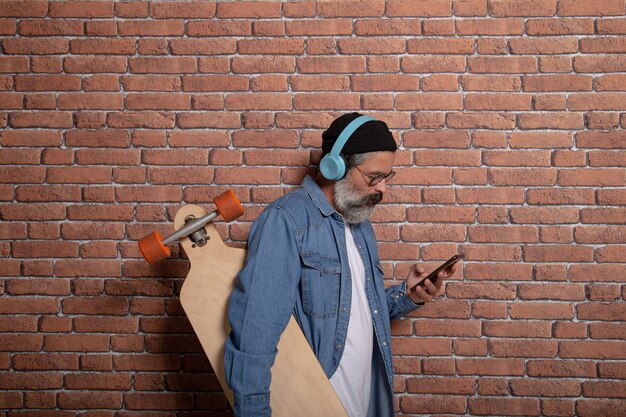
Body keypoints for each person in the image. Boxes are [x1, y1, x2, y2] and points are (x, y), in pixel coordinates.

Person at [224, 112, 457, 417]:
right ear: (334, 167)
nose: (382, 188)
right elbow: (254, 332)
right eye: (374, 177)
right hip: (314, 404)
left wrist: (407, 295)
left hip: (365, 402)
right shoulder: (287, 221)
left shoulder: (359, 225)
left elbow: (353, 313)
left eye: (388, 177)